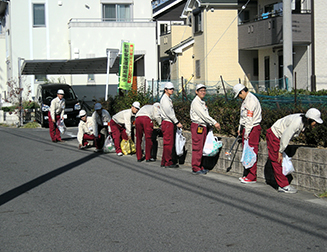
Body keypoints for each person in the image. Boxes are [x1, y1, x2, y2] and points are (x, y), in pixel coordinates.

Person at [266, 108, 323, 193]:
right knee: (277, 160)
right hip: (274, 135)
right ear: (309, 119)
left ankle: (283, 184)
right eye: (315, 121)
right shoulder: (296, 123)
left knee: (278, 161)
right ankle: (283, 186)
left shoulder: (303, 120)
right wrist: (280, 151)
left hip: (277, 136)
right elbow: (286, 136)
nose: (316, 124)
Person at [233, 83, 262, 184]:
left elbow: (249, 119)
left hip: (252, 128)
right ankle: (248, 174)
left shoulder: (251, 101)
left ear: (242, 92)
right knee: (247, 151)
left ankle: (252, 176)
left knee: (251, 151)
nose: (239, 98)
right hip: (247, 128)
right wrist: (240, 128)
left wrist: (247, 133)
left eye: (239, 95)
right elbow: (243, 116)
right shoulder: (246, 100)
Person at [190, 84, 221, 175]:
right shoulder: (196, 102)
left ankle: (200, 166)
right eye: (201, 91)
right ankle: (196, 167)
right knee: (197, 147)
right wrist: (214, 122)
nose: (203, 92)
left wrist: (209, 125)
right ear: (196, 92)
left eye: (204, 90)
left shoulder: (201, 102)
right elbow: (204, 116)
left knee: (201, 147)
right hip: (198, 126)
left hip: (203, 126)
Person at [159, 82, 182, 168]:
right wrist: (177, 122)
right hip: (168, 122)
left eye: (172, 89)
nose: (172, 90)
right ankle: (168, 162)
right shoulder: (165, 99)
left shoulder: (166, 99)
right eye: (170, 89)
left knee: (167, 143)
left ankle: (164, 161)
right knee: (169, 143)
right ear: (165, 90)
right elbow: (169, 113)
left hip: (168, 122)